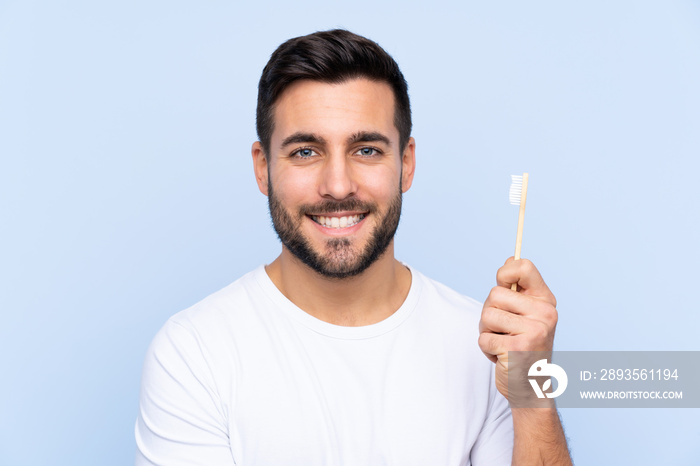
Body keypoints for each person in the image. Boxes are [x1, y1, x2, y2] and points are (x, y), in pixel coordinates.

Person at [135, 29, 572, 465]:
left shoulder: (487, 349)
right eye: (306, 152)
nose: (338, 185)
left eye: (366, 149)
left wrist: (531, 388)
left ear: (406, 164)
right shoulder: (193, 354)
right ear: (263, 169)